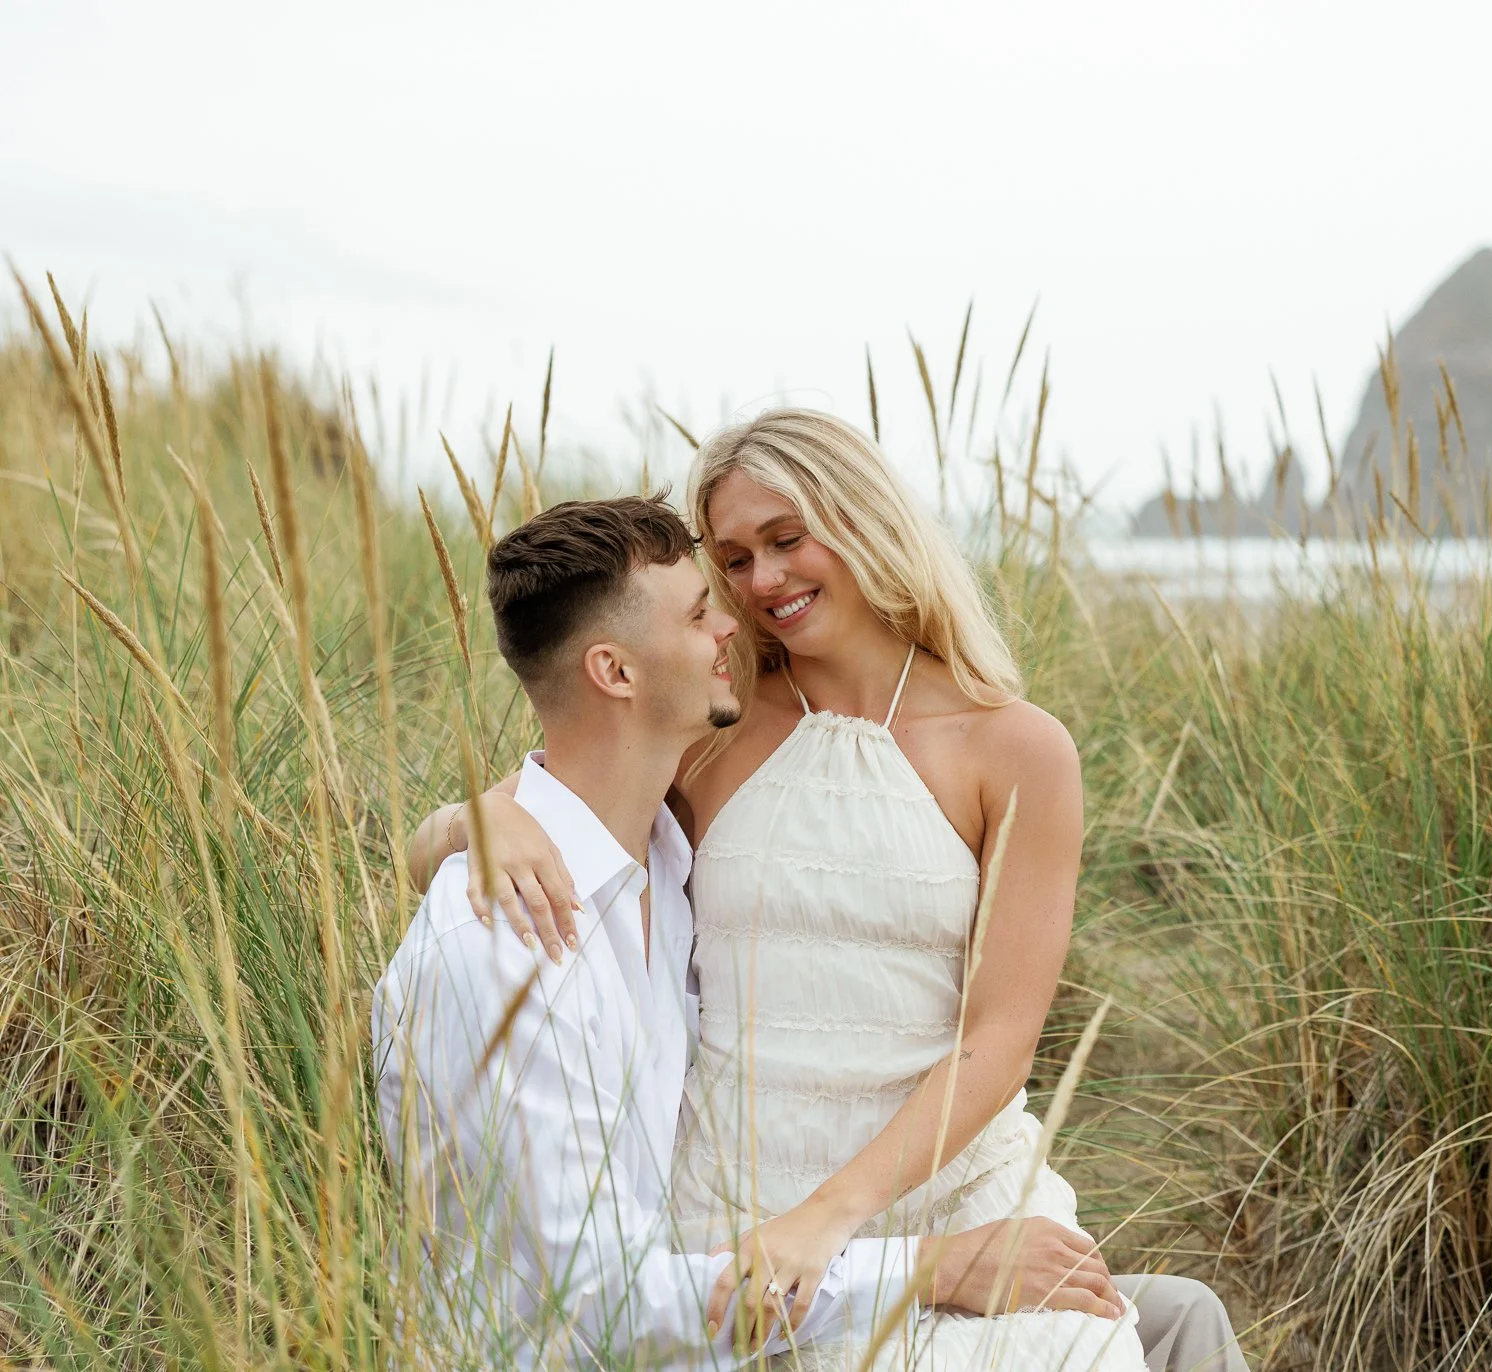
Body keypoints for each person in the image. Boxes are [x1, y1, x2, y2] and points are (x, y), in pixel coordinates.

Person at [406, 412, 1248, 1372]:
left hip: (946, 1181)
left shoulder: (1014, 748)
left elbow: (1000, 1040)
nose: (762, 581)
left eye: (786, 539)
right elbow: (542, 800)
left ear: (863, 522)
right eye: (733, 557)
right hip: (741, 1189)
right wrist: (474, 819)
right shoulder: (716, 726)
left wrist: (831, 1217)